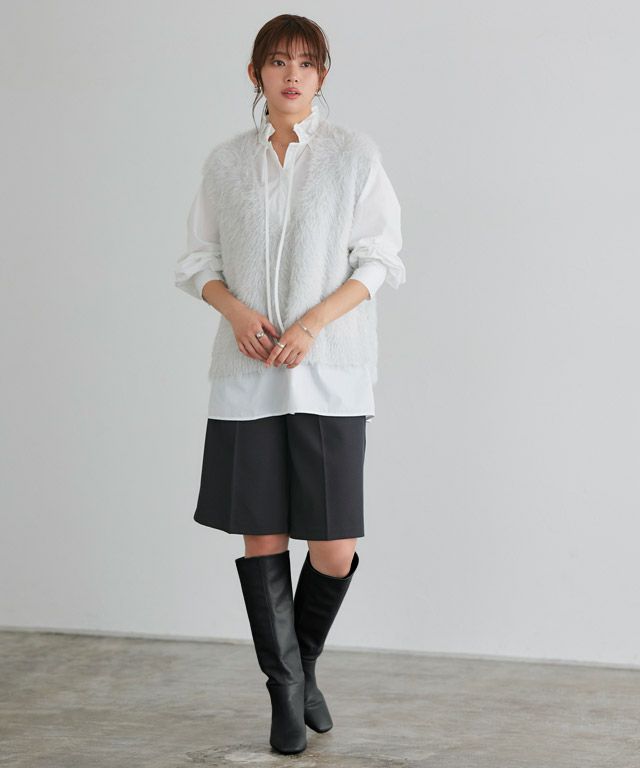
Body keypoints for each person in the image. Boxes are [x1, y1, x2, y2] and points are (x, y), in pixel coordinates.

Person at [174, 14, 406, 756]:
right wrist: (237, 312)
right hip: (248, 378)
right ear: (256, 75)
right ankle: (284, 693)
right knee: (263, 538)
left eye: (306, 63)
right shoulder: (225, 164)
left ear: (322, 76)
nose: (292, 75)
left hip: (331, 374)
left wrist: (311, 324)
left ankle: (300, 668)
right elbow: (197, 261)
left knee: (334, 545)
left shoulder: (352, 155)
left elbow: (379, 259)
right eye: (278, 62)